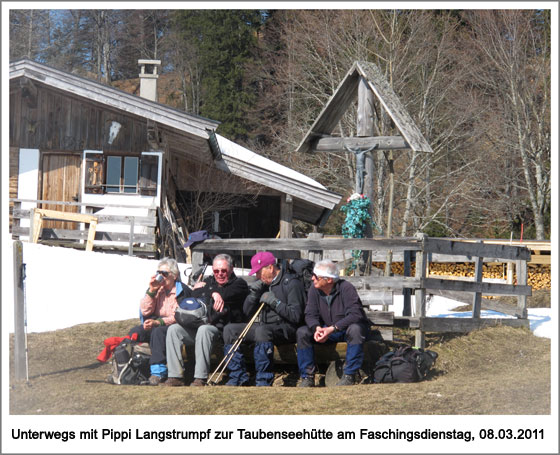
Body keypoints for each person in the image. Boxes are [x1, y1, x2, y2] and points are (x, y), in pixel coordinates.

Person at [162, 254, 249, 387]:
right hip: (200, 325)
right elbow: (194, 294)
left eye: (223, 270)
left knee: (204, 330)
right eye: (216, 271)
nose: (219, 274)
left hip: (222, 330)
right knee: (174, 330)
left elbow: (225, 294)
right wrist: (213, 293)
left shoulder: (239, 284)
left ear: (231, 269)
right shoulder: (210, 282)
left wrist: (207, 290)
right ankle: (175, 376)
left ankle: (200, 378)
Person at [222, 251, 306, 386]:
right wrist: (253, 296)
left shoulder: (291, 283)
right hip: (264, 327)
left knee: (262, 331)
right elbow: (247, 313)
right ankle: (238, 377)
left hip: (286, 328)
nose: (257, 276)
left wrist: (275, 303)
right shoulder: (263, 284)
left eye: (259, 272)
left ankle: (263, 379)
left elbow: (296, 316)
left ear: (270, 268)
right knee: (230, 330)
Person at [296, 259, 370, 387]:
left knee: (356, 329)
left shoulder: (346, 288)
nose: (312, 279)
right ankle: (307, 377)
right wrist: (317, 328)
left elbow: (355, 314)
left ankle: (349, 376)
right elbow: (310, 314)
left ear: (329, 280)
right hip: (327, 330)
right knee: (302, 332)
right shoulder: (314, 290)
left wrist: (333, 328)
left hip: (345, 330)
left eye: (316, 277)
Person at [128, 257, 191, 385]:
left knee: (158, 332)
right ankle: (131, 368)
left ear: (174, 275)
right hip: (155, 322)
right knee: (135, 332)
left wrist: (158, 322)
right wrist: (151, 291)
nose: (160, 276)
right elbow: (145, 311)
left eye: (164, 274)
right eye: (159, 273)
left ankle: (158, 372)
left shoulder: (182, 291)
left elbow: (179, 316)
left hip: (175, 326)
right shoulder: (158, 289)